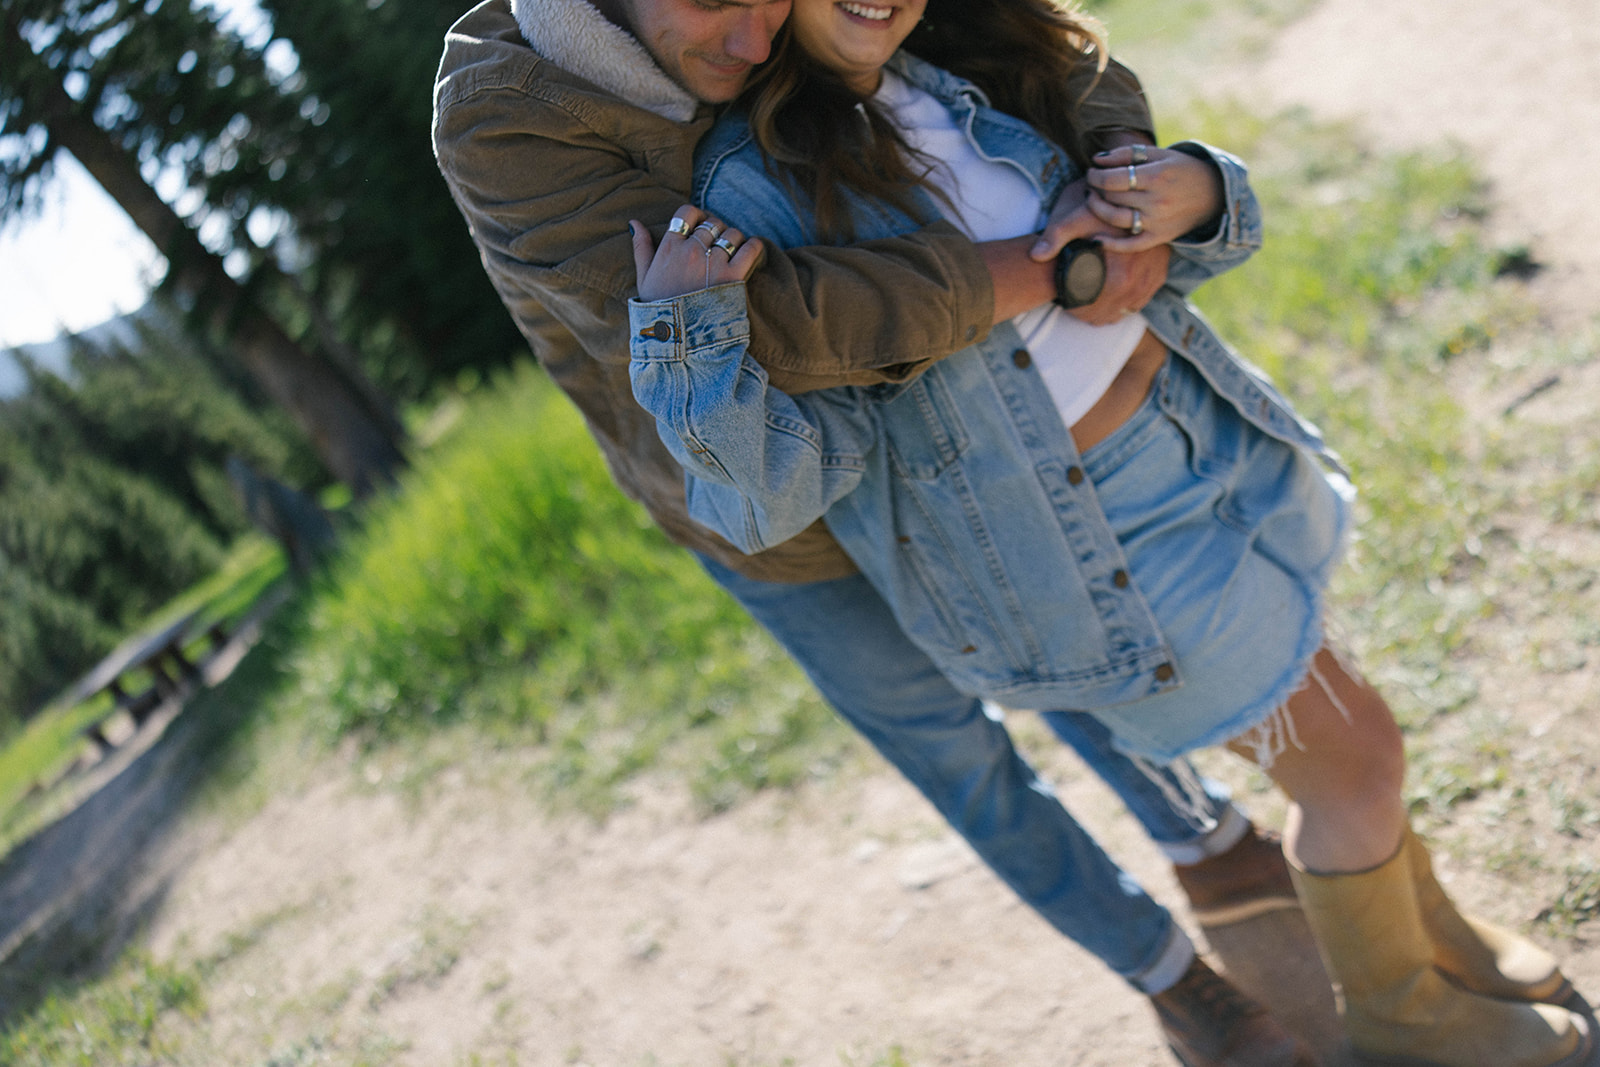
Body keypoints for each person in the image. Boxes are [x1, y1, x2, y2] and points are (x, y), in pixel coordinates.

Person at [623, 2, 1598, 1066]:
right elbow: (766, 497)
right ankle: (1401, 1019)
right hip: (1101, 545)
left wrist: (1192, 189)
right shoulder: (752, 189)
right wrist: (686, 333)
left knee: (1350, 738)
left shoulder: (948, 80)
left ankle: (1430, 943)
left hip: (1207, 443)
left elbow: (1163, 247)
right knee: (1354, 758)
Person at [432, 2, 1321, 1064]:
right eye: (720, 3)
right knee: (956, 754)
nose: (755, 45)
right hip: (771, 514)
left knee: (1059, 638)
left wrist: (1116, 168)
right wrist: (1056, 262)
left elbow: (1025, 44)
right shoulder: (505, 118)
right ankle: (1171, 979)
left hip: (929, 421)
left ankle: (1204, 838)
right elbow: (771, 325)